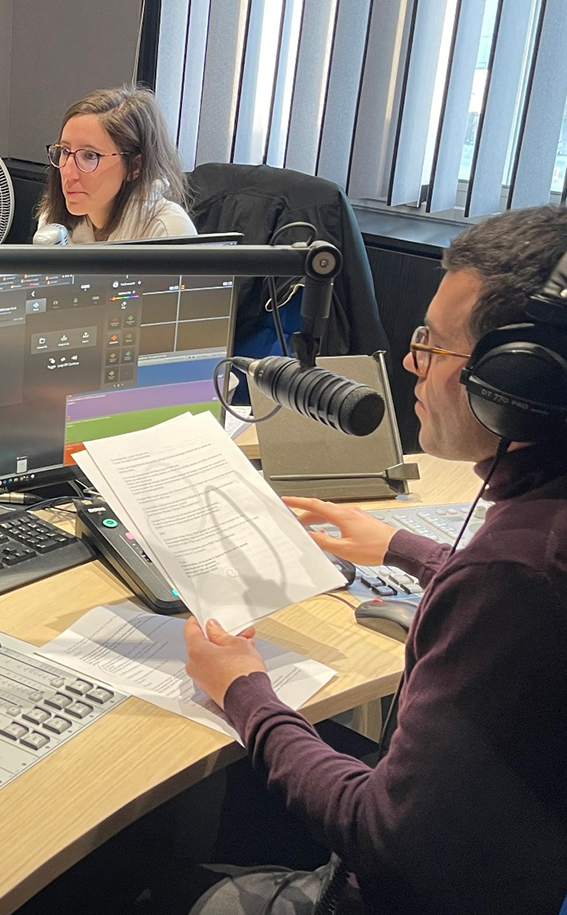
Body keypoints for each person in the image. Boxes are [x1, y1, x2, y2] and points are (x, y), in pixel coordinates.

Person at [176, 205, 567, 914]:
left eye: (434, 346)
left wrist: (244, 690)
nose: (412, 363)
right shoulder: (541, 530)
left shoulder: (513, 573)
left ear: (520, 380)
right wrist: (401, 546)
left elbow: (384, 835)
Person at [35, 84, 195, 242]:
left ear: (134, 167)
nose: (68, 173)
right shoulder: (54, 223)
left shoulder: (168, 230)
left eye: (90, 156)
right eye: (64, 151)